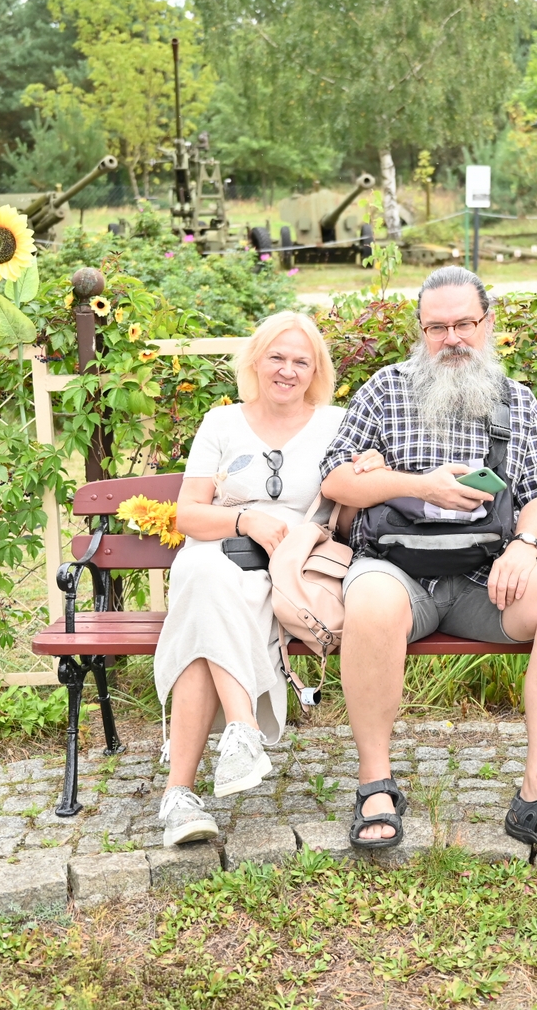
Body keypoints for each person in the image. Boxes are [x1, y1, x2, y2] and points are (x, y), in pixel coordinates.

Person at [318, 265, 537, 874]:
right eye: (437, 327)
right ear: (421, 331)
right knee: (368, 598)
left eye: (463, 324)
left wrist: (525, 545)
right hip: (396, 574)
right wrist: (418, 485)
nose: (451, 338)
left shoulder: (516, 400)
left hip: (487, 579)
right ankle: (375, 784)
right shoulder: (384, 390)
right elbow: (336, 479)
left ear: (487, 323)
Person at [153, 311, 380, 847]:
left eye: (302, 361)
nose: (287, 370)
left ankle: (178, 795)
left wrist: (365, 476)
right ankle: (244, 731)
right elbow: (188, 514)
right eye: (277, 357)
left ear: (316, 371)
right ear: (255, 361)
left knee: (201, 611)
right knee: (202, 573)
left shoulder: (336, 423)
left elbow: (344, 522)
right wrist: (245, 520)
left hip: (286, 571)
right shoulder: (221, 423)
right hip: (219, 552)